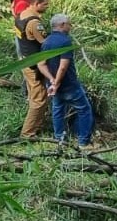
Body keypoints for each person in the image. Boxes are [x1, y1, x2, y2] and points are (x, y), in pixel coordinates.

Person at [37, 13, 96, 149]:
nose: (70, 26)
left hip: (53, 86)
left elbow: (41, 64)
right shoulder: (65, 42)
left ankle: (60, 140)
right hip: (68, 85)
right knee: (84, 110)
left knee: (58, 110)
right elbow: (63, 66)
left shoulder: (46, 42)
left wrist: (51, 81)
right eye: (69, 23)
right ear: (62, 25)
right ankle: (83, 142)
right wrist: (57, 82)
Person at [13, 0, 51, 139]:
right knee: (39, 99)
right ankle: (27, 134)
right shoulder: (34, 23)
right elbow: (46, 43)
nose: (47, 7)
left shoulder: (20, 15)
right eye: (45, 5)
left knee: (35, 96)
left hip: (24, 60)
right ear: (36, 3)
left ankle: (37, 125)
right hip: (33, 66)